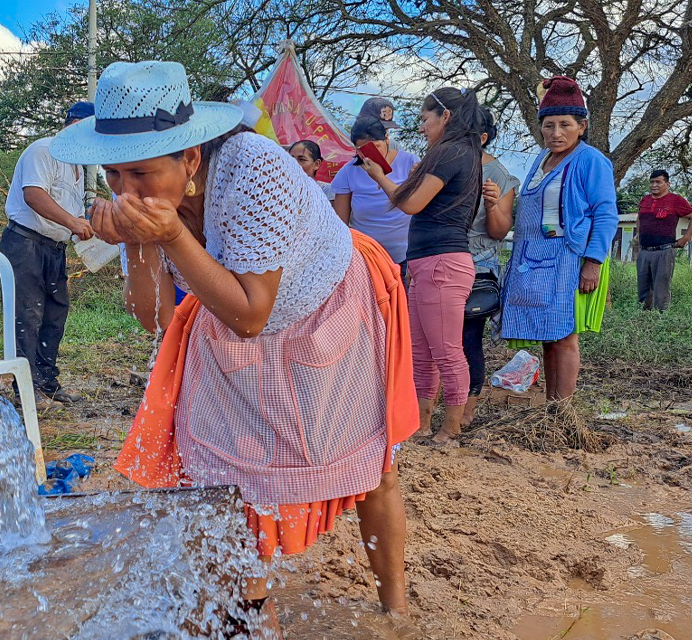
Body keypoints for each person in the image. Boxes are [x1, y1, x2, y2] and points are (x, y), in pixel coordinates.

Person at [51, 61, 419, 631]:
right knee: (220, 480)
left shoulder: (256, 168)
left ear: (190, 158)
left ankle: (395, 609)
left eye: (142, 173)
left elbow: (251, 312)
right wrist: (140, 241)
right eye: (114, 175)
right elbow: (151, 314)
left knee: (371, 464)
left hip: (324, 306)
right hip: (232, 321)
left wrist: (169, 235)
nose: (127, 190)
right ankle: (245, 615)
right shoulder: (142, 202)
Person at [361, 87, 483, 444]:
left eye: (425, 119)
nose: (422, 127)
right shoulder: (460, 153)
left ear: (445, 116)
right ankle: (423, 422)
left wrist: (378, 176)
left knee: (445, 351)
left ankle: (451, 428)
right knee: (424, 351)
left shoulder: (449, 152)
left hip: (442, 263)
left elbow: (411, 203)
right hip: (432, 263)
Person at [500, 76, 619, 400]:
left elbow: (606, 214)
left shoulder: (590, 160)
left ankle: (562, 413)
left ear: (582, 126)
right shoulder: (541, 160)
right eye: (549, 125)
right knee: (549, 337)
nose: (556, 133)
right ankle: (552, 408)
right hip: (537, 262)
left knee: (565, 337)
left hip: (572, 260)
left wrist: (593, 263)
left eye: (565, 124)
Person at [0, 101, 95, 404]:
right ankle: (23, 390)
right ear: (77, 125)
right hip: (25, 242)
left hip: (54, 248)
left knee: (55, 314)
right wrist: (72, 223)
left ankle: (47, 381)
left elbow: (72, 215)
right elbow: (34, 194)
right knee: (27, 314)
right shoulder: (44, 150)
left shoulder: (77, 168)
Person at [460, 108, 520, 428]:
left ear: (482, 138)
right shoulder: (444, 167)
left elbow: (499, 232)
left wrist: (494, 205)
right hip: (440, 262)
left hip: (477, 267)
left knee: (469, 339)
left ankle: (467, 410)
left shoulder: (500, 176)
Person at [330, 116, 421, 269]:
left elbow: (418, 205)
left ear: (386, 138)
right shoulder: (348, 171)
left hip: (407, 255)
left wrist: (379, 176)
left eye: (375, 146)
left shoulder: (410, 162)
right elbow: (341, 224)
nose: (370, 155)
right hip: (367, 257)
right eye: (362, 150)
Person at [636, 170, 692, 311]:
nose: (654, 185)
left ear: (667, 184)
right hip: (645, 251)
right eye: (652, 182)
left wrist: (685, 238)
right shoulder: (645, 200)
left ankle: (661, 320)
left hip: (664, 251)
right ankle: (643, 320)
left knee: (661, 290)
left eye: (658, 182)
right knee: (643, 290)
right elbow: (639, 218)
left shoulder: (676, 200)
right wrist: (638, 236)